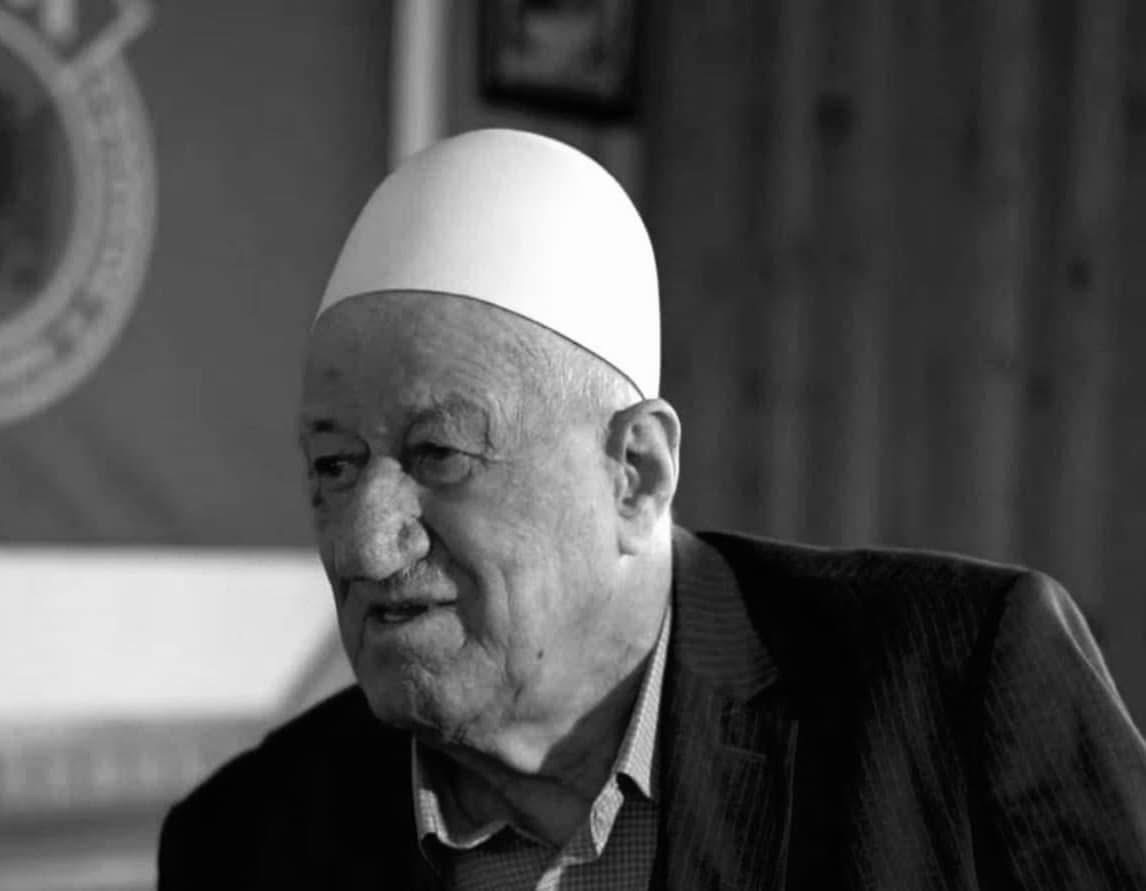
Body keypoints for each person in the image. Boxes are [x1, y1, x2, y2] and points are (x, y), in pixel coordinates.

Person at [158, 129, 1146, 890]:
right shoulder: (245, 842)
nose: (367, 543)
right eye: (333, 465)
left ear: (635, 473)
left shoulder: (948, 697)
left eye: (441, 455)